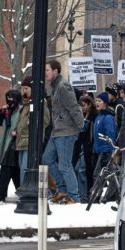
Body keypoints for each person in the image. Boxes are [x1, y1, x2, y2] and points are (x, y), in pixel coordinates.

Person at [42, 60, 81, 204]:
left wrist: (80, 127)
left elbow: (74, 107)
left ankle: (74, 197)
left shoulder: (63, 86)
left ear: (55, 71)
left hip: (66, 131)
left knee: (65, 165)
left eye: (47, 70)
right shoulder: (55, 87)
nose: (45, 73)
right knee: (46, 159)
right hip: (57, 130)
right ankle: (62, 189)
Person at [0, 88, 23, 201]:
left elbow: (23, 125)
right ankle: (21, 190)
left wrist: (17, 133)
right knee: (13, 168)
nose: (9, 100)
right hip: (7, 140)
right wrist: (1, 112)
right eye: (8, 98)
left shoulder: (21, 110)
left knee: (7, 165)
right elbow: (1, 123)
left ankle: (0, 191)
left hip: (14, 141)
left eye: (11, 98)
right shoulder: (8, 110)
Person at [90, 92, 118, 191]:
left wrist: (108, 151)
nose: (97, 103)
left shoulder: (108, 117)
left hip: (106, 151)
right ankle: (108, 195)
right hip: (99, 150)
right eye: (96, 100)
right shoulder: (98, 116)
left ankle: (96, 196)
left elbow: (110, 135)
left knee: (98, 174)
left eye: (99, 101)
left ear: (105, 103)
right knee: (110, 175)